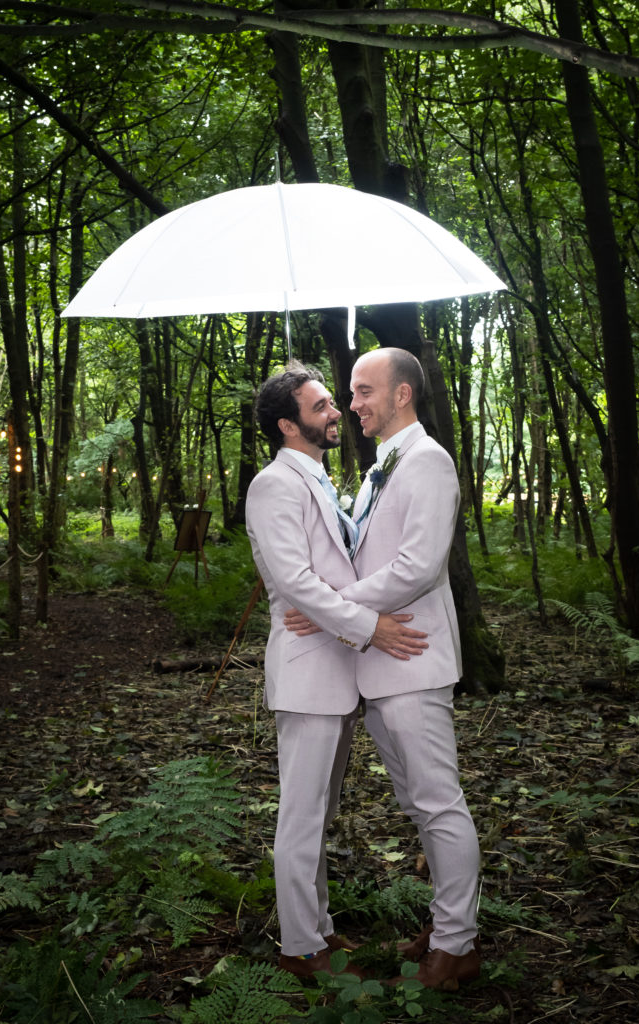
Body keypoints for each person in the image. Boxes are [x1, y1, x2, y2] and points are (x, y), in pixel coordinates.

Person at [284, 347, 481, 990]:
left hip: (415, 657)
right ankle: (447, 921)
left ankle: (456, 948)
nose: (353, 404)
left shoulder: (427, 462)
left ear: (401, 395)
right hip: (379, 664)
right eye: (348, 392)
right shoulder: (377, 472)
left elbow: (419, 567)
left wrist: (334, 610)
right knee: (416, 803)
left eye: (364, 391)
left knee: (439, 804)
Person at [245, 361, 428, 981]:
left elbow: (334, 571)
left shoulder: (322, 480)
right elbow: (296, 581)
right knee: (301, 815)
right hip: (305, 671)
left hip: (336, 666)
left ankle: (318, 928)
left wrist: (335, 613)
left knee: (320, 813)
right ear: (287, 425)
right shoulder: (274, 484)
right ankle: (299, 947)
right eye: (321, 405)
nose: (337, 412)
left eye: (335, 401)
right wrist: (366, 624)